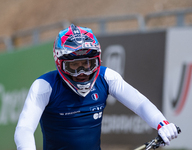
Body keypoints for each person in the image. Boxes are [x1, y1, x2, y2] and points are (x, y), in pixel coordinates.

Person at [14, 24, 179, 150]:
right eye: (74, 66)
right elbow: (24, 129)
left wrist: (161, 123)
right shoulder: (44, 86)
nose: (82, 72)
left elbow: (140, 103)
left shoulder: (107, 77)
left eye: (87, 64)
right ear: (60, 63)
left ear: (98, 60)